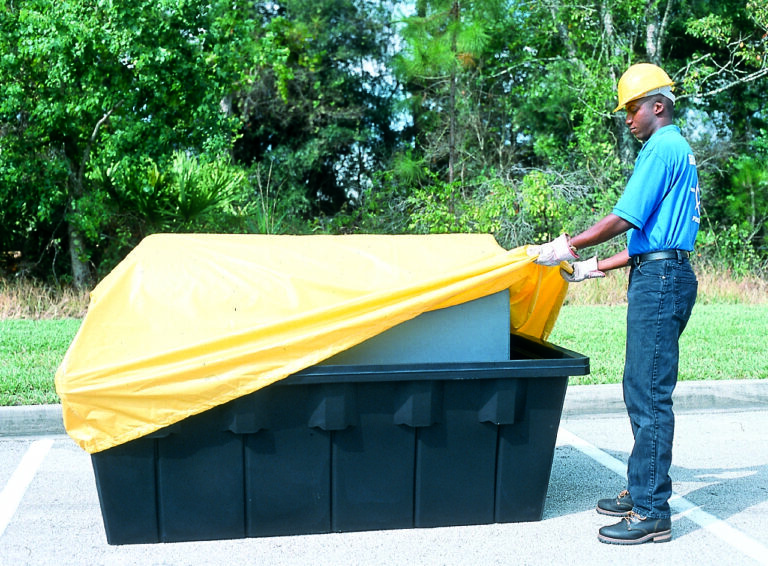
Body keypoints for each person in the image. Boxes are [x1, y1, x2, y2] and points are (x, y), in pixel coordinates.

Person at [529, 63, 700, 545]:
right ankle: (643, 488)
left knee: (648, 392)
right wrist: (595, 268)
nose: (626, 117)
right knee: (639, 385)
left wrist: (570, 246)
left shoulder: (660, 148)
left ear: (658, 106)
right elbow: (652, 237)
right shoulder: (679, 151)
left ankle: (651, 512)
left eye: (632, 107)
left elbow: (624, 218)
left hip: (661, 279)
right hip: (666, 270)